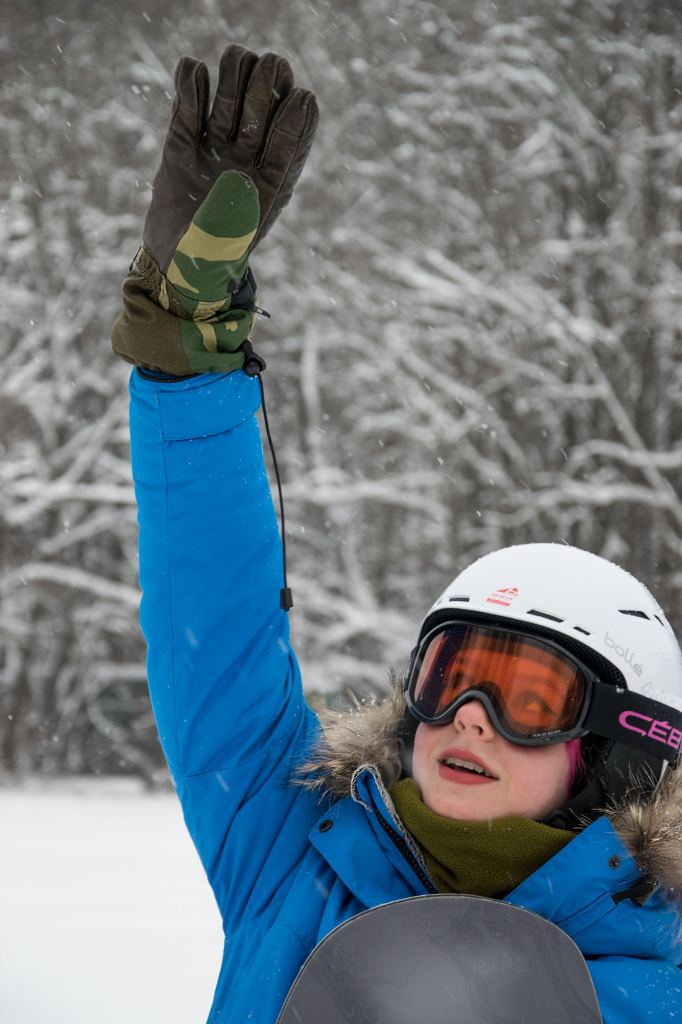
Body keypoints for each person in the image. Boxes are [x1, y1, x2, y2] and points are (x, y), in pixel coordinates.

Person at [112, 43, 682, 1024]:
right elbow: (213, 610)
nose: (466, 715)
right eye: (449, 672)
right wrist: (184, 360)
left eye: (527, 697)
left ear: (617, 753)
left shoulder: (653, 976)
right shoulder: (293, 843)